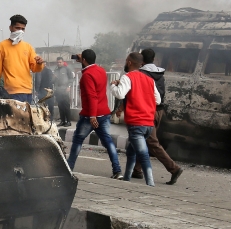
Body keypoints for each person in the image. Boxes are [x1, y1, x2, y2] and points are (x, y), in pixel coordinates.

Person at [66, 49, 122, 177]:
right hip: (104, 113)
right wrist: (83, 61)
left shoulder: (87, 75)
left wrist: (92, 116)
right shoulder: (101, 70)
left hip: (90, 115)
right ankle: (117, 170)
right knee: (108, 142)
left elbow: (92, 96)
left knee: (78, 140)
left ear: (84, 60)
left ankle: (69, 168)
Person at [132, 48, 183, 185]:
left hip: (148, 111)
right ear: (154, 59)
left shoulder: (141, 74)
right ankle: (137, 170)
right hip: (159, 111)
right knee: (143, 140)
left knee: (152, 142)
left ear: (142, 60)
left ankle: (174, 169)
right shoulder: (160, 73)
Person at [110, 52, 161, 186]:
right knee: (131, 150)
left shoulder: (128, 77)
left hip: (136, 123)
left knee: (143, 154)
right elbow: (158, 99)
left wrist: (113, 85)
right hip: (149, 124)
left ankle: (150, 183)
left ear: (130, 62)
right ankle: (127, 178)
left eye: (126, 61)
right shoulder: (150, 80)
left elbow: (120, 94)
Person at [0, 14, 44, 103]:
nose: (20, 31)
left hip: (27, 92)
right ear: (10, 28)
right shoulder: (2, 46)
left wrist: (39, 63)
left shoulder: (28, 47)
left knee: (27, 117)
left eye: (23, 29)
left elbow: (35, 69)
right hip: (12, 93)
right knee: (15, 117)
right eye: (17, 28)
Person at [53, 57, 73, 127]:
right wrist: (54, 78)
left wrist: (69, 86)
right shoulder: (56, 70)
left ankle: (68, 121)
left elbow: (71, 78)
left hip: (65, 89)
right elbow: (53, 81)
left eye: (60, 62)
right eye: (58, 62)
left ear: (63, 62)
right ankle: (62, 121)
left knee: (66, 106)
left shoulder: (67, 69)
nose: (59, 63)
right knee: (60, 106)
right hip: (58, 90)